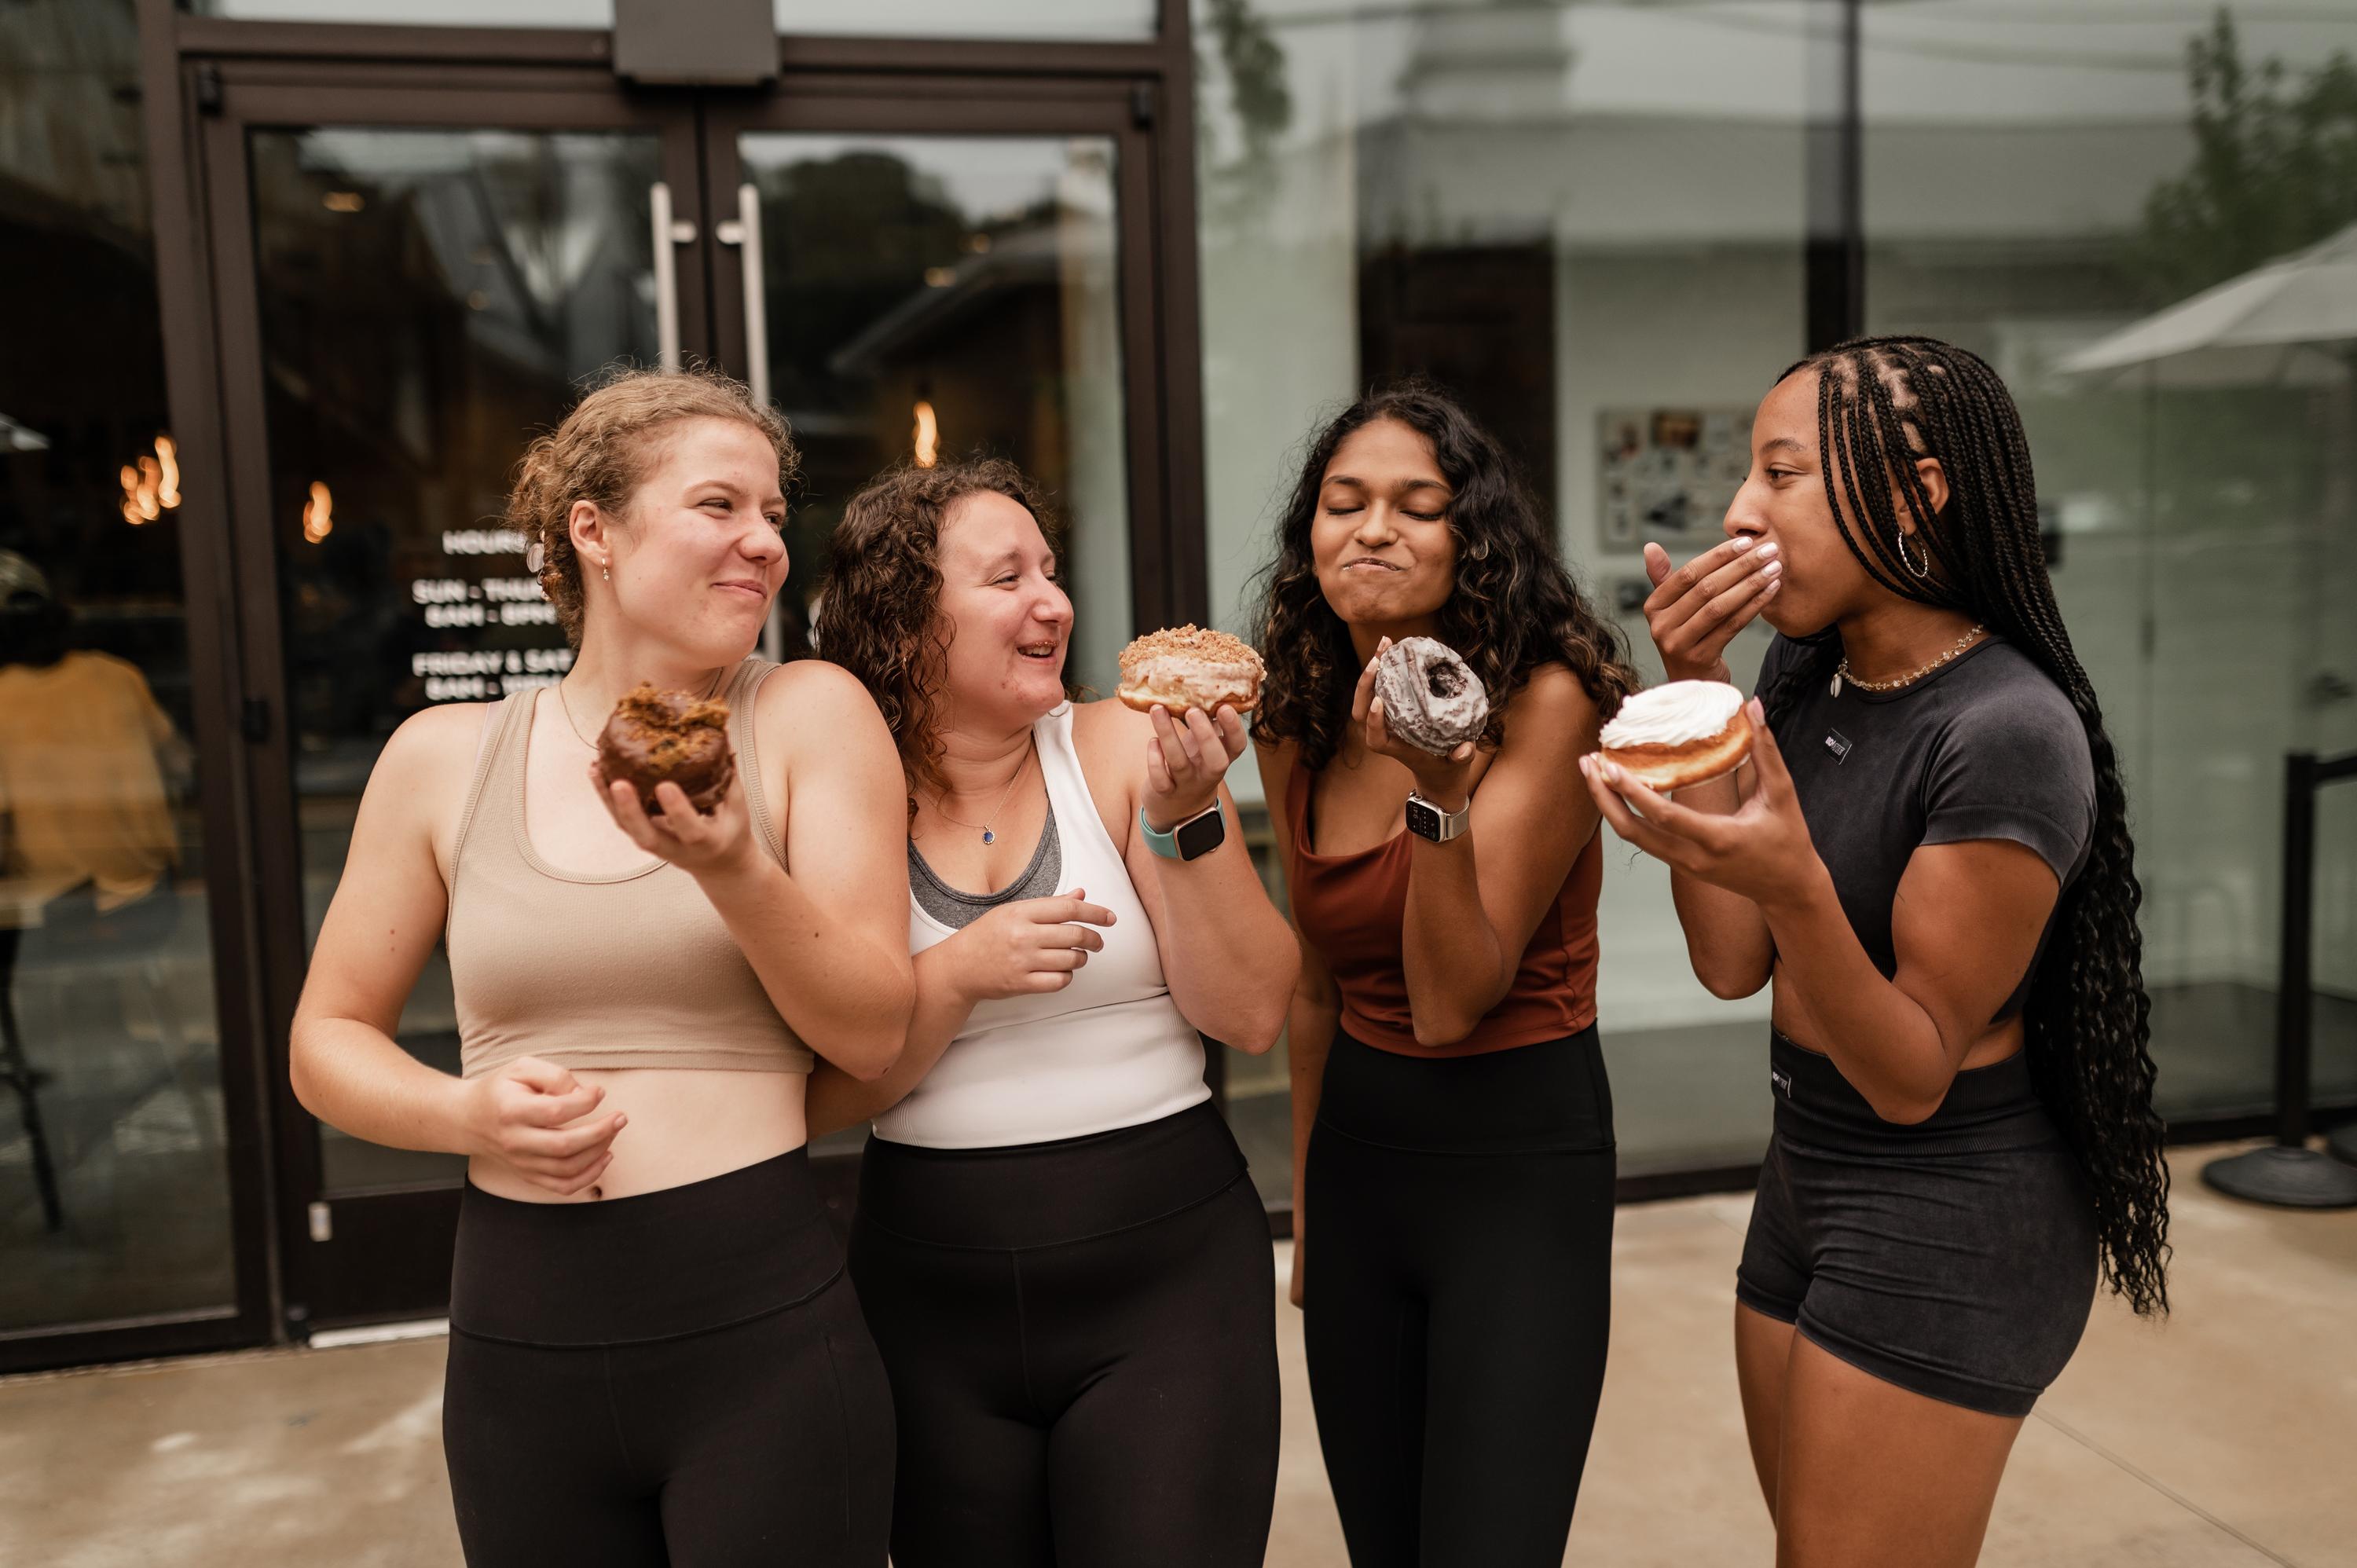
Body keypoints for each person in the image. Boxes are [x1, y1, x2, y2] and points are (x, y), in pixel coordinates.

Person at [288, 369, 912, 1567]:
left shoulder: (808, 717)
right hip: (521, 1341)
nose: (765, 544)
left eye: (777, 515)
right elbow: (326, 1044)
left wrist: (733, 868)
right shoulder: (443, 757)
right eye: (721, 507)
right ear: (595, 532)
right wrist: (465, 1110)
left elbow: (874, 1031)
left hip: (762, 1329)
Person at [1583, 335, 2169, 1567]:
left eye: (1782, 473)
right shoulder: (1806, 677)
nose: (1740, 510)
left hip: (1950, 1209)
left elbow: (1912, 1071)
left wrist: (1797, 885)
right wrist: (1698, 691)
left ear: (1914, 495)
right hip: (1806, 1172)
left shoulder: (2009, 729)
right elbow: (1732, 964)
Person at [807, 456, 1294, 1568]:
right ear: (903, 614)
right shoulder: (839, 794)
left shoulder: (1122, 744)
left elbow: (1254, 1011)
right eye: (1006, 576)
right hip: (926, 1298)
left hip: (1165, 1280)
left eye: (1054, 571)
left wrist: (1182, 822)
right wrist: (960, 974)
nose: (1055, 602)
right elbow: (821, 1091)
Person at [1252, 383, 1637, 1566]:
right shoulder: (1299, 705)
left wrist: (1437, 793)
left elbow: (1449, 999)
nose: (1372, 529)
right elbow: (1317, 991)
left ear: (1474, 538)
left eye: (1418, 506)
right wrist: (1314, 1218)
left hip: (1519, 1168)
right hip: (1364, 1167)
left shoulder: (1545, 703)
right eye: (1342, 503)